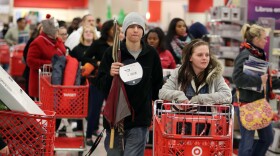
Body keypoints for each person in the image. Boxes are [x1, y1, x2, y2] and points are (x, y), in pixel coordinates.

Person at [95, 12, 163, 155]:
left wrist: (160, 110)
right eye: (132, 26)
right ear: (125, 30)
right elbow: (101, 85)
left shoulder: (151, 54)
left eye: (139, 27)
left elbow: (157, 84)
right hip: (115, 118)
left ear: (143, 30)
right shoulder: (112, 53)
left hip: (140, 118)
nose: (136, 30)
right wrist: (110, 74)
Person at [232, 24, 280, 156]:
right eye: (264, 38)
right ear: (256, 39)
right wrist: (259, 81)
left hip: (258, 104)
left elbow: (267, 81)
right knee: (247, 144)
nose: (266, 41)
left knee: (267, 138)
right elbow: (237, 78)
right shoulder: (245, 55)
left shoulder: (258, 55)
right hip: (246, 104)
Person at [159, 39, 231, 108]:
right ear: (190, 58)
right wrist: (179, 95)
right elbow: (162, 93)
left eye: (207, 55)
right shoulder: (179, 73)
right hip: (180, 118)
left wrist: (200, 99)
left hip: (209, 119)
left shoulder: (214, 74)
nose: (204, 58)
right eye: (200, 55)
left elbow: (227, 95)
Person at [83, 19, 116, 146]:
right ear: (107, 30)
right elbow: (85, 56)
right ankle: (89, 135)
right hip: (99, 81)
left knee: (112, 110)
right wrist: (96, 63)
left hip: (113, 82)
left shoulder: (120, 44)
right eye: (114, 29)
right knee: (94, 110)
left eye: (118, 29)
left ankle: (110, 135)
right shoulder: (98, 44)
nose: (116, 31)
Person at [27, 14, 66, 99]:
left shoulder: (58, 40)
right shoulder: (38, 42)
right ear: (49, 31)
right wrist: (50, 64)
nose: (58, 32)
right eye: (56, 31)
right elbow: (30, 61)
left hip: (57, 79)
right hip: (42, 82)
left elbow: (63, 53)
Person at [22, 23, 43, 98]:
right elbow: (26, 54)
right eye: (42, 29)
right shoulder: (34, 40)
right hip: (31, 71)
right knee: (31, 95)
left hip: (42, 74)